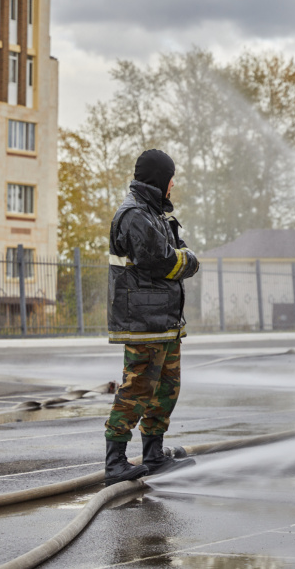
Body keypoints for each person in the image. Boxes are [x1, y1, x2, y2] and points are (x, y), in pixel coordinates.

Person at [103, 149, 200, 485]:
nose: (173, 185)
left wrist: (182, 256)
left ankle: (153, 456)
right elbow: (164, 261)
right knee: (138, 388)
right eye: (170, 178)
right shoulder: (134, 215)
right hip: (144, 321)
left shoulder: (155, 214)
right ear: (160, 179)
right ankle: (115, 463)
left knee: (166, 390)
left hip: (164, 321)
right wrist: (185, 260)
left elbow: (178, 252)